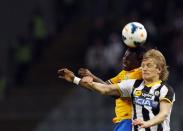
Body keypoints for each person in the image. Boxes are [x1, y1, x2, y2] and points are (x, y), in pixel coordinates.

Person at [58, 49, 175, 131]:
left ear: (159, 69)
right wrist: (75, 79)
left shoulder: (166, 90)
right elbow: (105, 89)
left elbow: (163, 114)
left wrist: (147, 123)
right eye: (143, 65)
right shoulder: (133, 85)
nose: (144, 69)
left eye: (148, 65)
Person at [77, 47, 145, 131]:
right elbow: (105, 87)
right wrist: (75, 79)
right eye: (124, 56)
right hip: (122, 120)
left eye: (128, 59)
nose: (124, 60)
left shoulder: (139, 74)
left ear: (139, 61)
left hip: (130, 120)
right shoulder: (124, 73)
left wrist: (92, 76)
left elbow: (111, 92)